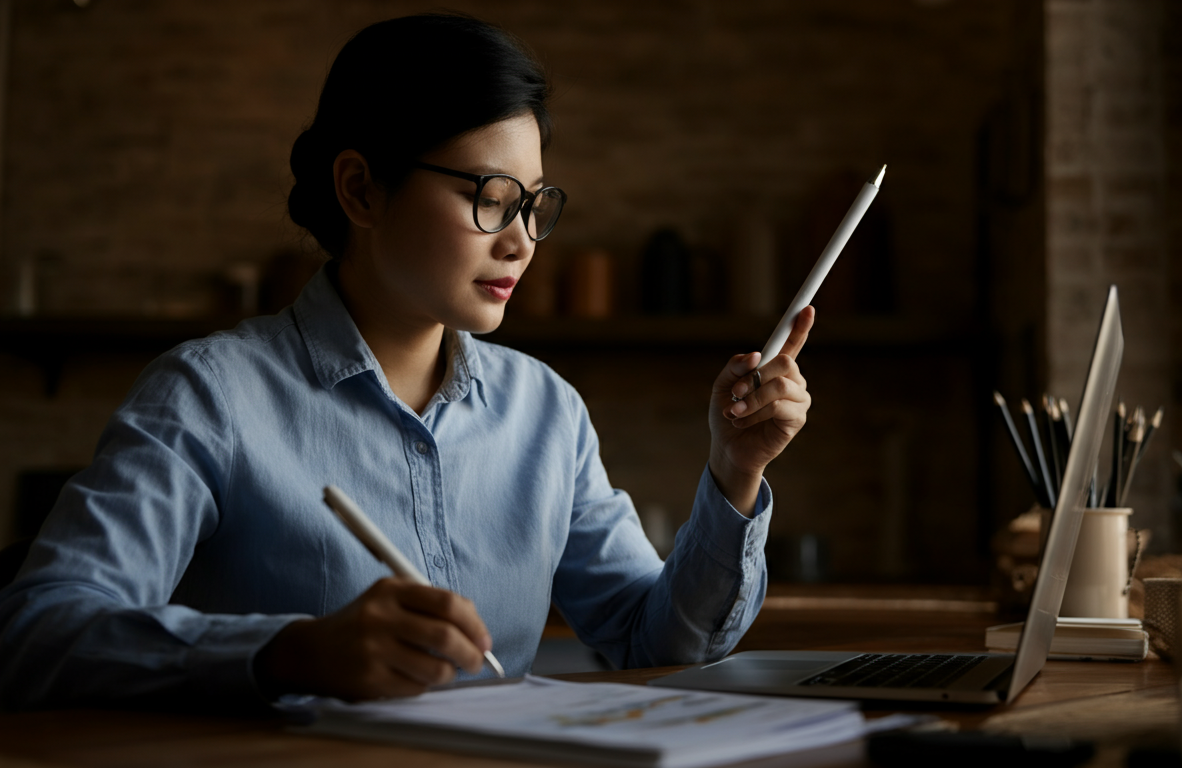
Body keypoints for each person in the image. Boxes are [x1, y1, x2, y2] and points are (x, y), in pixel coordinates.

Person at [0, 13, 815, 709]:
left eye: (534, 205)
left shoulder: (546, 413)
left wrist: (735, 470)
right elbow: (37, 631)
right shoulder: (208, 397)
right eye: (489, 197)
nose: (520, 239)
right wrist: (291, 653)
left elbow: (655, 644)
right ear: (360, 189)